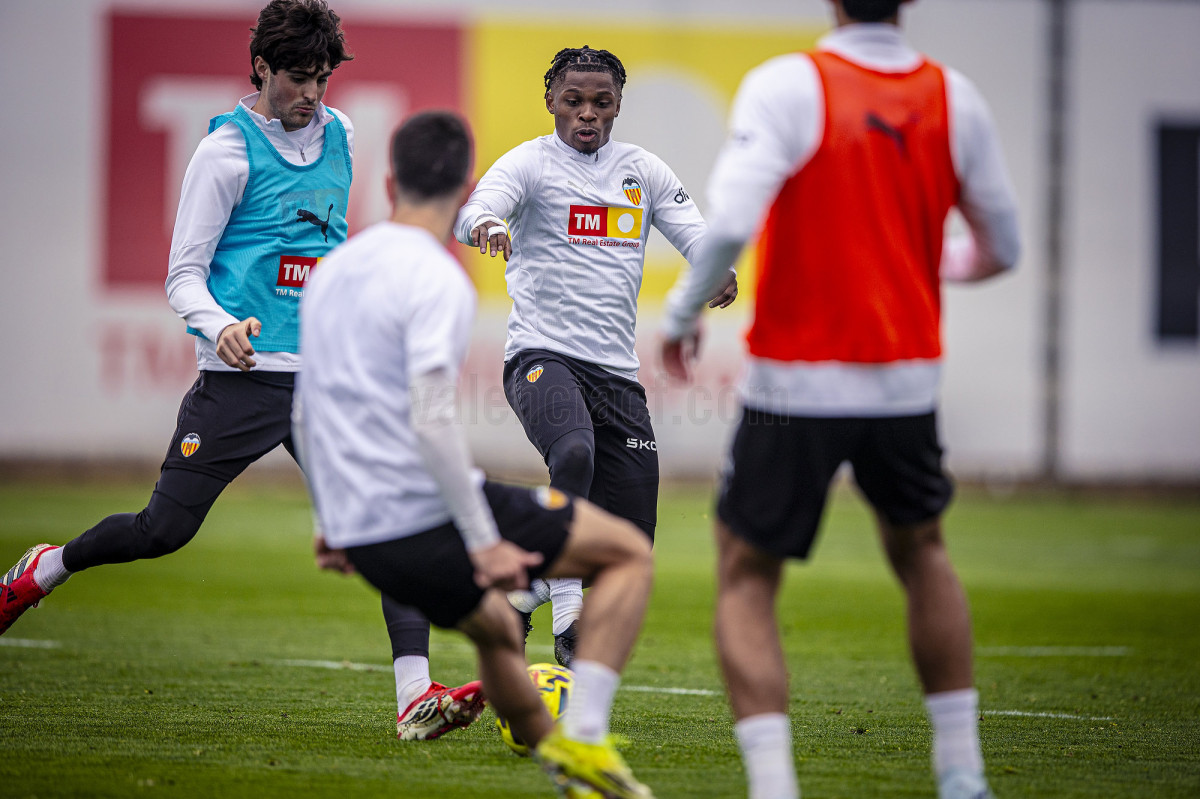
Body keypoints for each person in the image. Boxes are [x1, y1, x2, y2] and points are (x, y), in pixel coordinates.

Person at [0, 0, 479, 742]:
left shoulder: (343, 134)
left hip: (326, 381)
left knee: (393, 523)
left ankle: (414, 695)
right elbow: (183, 276)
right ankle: (47, 568)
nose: (311, 95)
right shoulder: (224, 153)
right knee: (163, 530)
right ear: (260, 67)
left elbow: (331, 246)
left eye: (321, 80)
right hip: (243, 379)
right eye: (297, 78)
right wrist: (219, 324)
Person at [659, 2, 1021, 798]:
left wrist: (681, 315)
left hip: (794, 383)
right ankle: (962, 773)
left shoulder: (788, 84)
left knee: (746, 570)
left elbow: (734, 221)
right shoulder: (954, 97)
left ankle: (774, 785)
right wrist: (918, 260)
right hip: (906, 381)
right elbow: (1004, 247)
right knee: (923, 550)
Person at [297, 109, 656, 799]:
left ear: (389, 182)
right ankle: (587, 732)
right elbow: (432, 417)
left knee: (495, 626)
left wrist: (326, 518)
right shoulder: (439, 280)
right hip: (419, 513)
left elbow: (306, 404)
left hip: (363, 528)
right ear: (467, 189)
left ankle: (561, 756)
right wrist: (483, 539)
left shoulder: (333, 271)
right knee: (627, 553)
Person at [454, 46, 738, 666]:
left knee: (631, 542)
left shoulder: (642, 171)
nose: (587, 113)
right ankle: (566, 615)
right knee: (574, 452)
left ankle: (523, 595)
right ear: (551, 101)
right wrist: (487, 226)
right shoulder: (529, 164)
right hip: (541, 356)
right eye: (574, 100)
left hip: (616, 374)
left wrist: (716, 268)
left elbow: (694, 232)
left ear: (617, 106)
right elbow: (474, 209)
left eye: (601, 102)